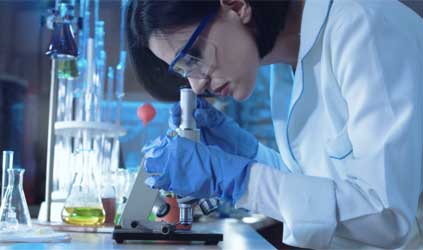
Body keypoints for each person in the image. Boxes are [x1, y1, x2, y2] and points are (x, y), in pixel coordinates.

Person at [126, 0, 423, 248]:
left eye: (193, 57)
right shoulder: (286, 63)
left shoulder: (363, 25)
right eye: (183, 71)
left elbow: (387, 214)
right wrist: (249, 156)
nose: (197, 84)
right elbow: (319, 191)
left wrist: (237, 178)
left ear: (235, 5)